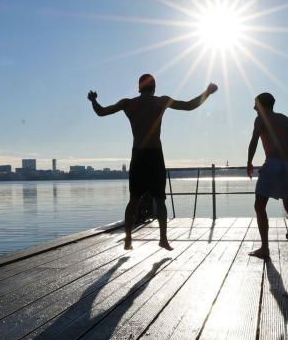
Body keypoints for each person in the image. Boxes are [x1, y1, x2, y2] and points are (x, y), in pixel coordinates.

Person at [88, 74, 218, 251]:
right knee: (160, 199)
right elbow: (189, 106)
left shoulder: (129, 103)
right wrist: (207, 92)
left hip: (138, 155)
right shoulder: (160, 101)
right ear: (154, 87)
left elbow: (101, 112)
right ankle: (163, 239)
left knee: (133, 200)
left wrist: (93, 100)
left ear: (139, 88)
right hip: (155, 155)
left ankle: (128, 238)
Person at [246, 92, 288, 258]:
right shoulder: (285, 119)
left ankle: (265, 249)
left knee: (259, 206)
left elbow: (254, 140)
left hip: (273, 164)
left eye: (256, 105)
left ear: (262, 105)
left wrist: (249, 162)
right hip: (287, 165)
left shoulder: (260, 119)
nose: (254, 108)